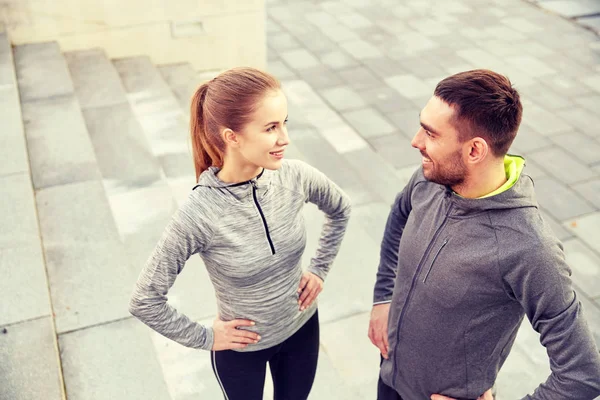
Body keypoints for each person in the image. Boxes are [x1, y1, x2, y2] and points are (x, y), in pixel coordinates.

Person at [368, 69, 600, 400]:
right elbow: (398, 217)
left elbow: (583, 373)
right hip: (389, 376)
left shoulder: (529, 249)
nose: (416, 142)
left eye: (431, 134)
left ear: (475, 151)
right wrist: (383, 296)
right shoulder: (431, 177)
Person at [129, 67, 351, 400]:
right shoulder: (199, 213)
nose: (284, 138)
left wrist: (319, 269)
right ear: (232, 136)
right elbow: (145, 300)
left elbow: (341, 208)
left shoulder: (295, 177)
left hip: (301, 329)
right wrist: (206, 338)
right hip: (242, 352)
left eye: (284, 123)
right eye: (271, 127)